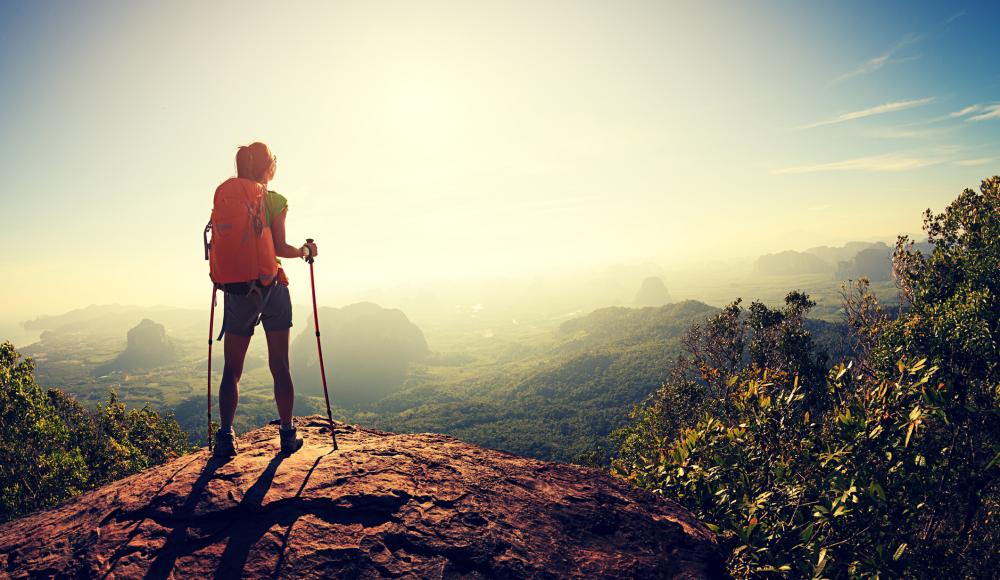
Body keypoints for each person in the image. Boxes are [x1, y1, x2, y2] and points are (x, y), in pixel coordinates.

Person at [213, 141, 318, 459]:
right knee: (280, 365)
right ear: (268, 167)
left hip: (238, 292)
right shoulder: (274, 200)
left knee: (232, 369)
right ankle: (287, 435)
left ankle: (226, 437)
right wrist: (304, 251)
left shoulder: (226, 196)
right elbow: (279, 247)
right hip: (273, 288)